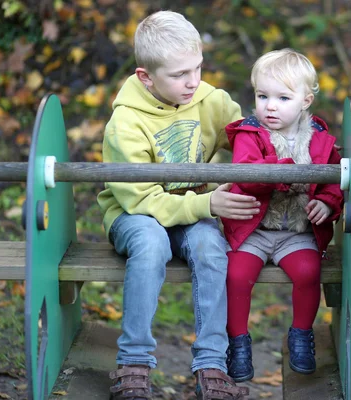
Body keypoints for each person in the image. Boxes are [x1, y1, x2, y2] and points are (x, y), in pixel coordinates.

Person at [97, 10, 255, 400]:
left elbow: (247, 144)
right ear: (145, 77)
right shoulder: (126, 123)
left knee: (210, 246)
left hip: (193, 208)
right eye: (179, 74)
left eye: (197, 68)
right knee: (152, 242)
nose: (193, 81)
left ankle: (212, 365)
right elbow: (144, 199)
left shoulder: (211, 101)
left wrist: (216, 175)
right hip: (134, 215)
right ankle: (133, 363)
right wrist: (208, 203)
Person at [221, 48, 344, 382]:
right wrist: (286, 170)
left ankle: (301, 335)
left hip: (297, 232)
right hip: (254, 229)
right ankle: (238, 341)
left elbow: (335, 180)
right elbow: (247, 174)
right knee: (236, 275)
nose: (270, 106)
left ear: (305, 101)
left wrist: (328, 203)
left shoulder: (320, 139)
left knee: (308, 271)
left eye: (282, 97)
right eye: (262, 96)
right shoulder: (250, 134)